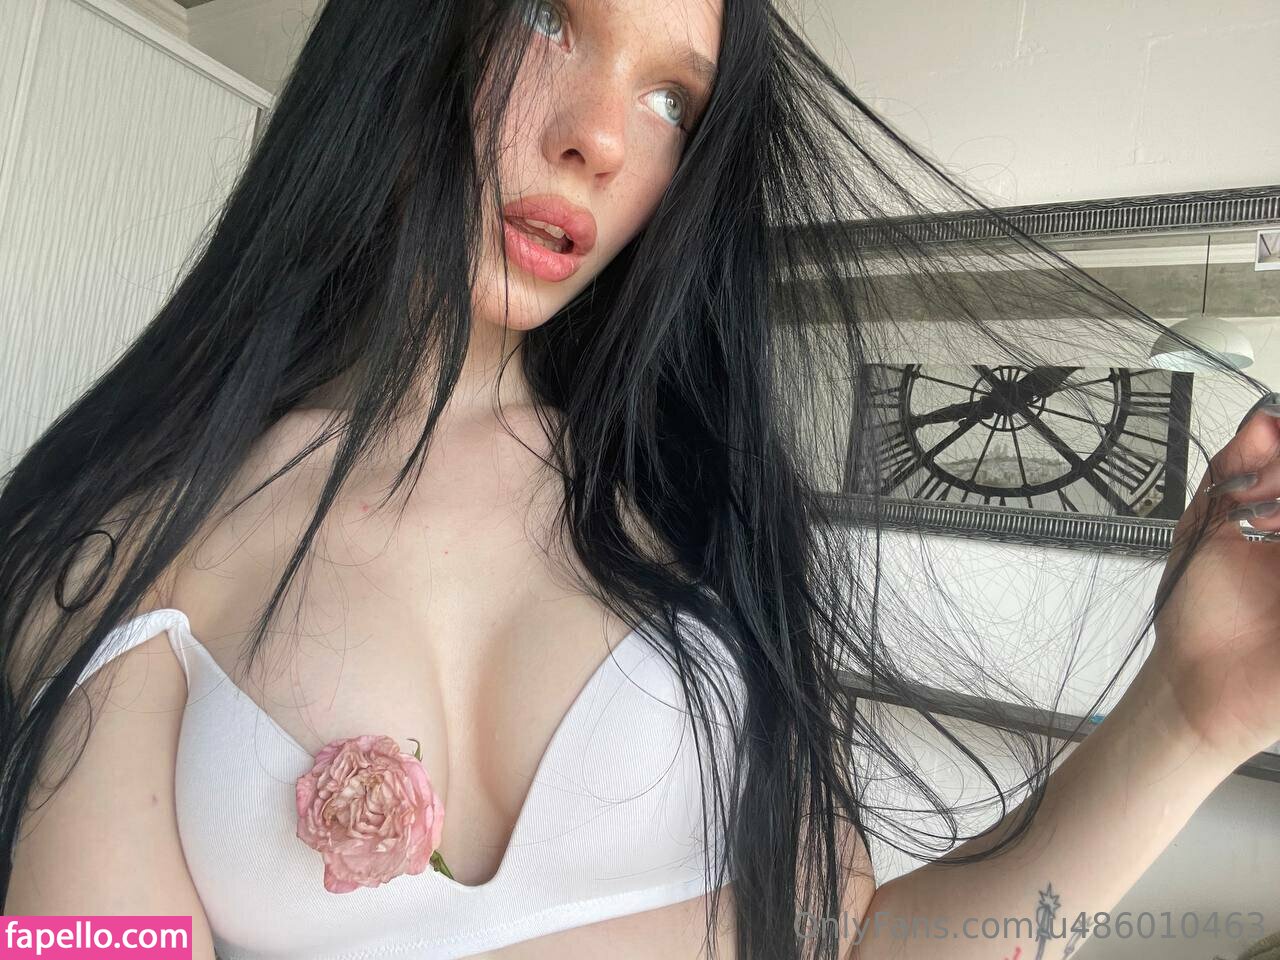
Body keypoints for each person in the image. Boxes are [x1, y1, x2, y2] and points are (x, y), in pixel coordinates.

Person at [0, 0, 1276, 958]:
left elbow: (866, 947)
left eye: (671, 100)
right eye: (548, 19)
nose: (602, 141)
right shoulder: (130, 547)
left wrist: (1188, 717)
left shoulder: (700, 515)